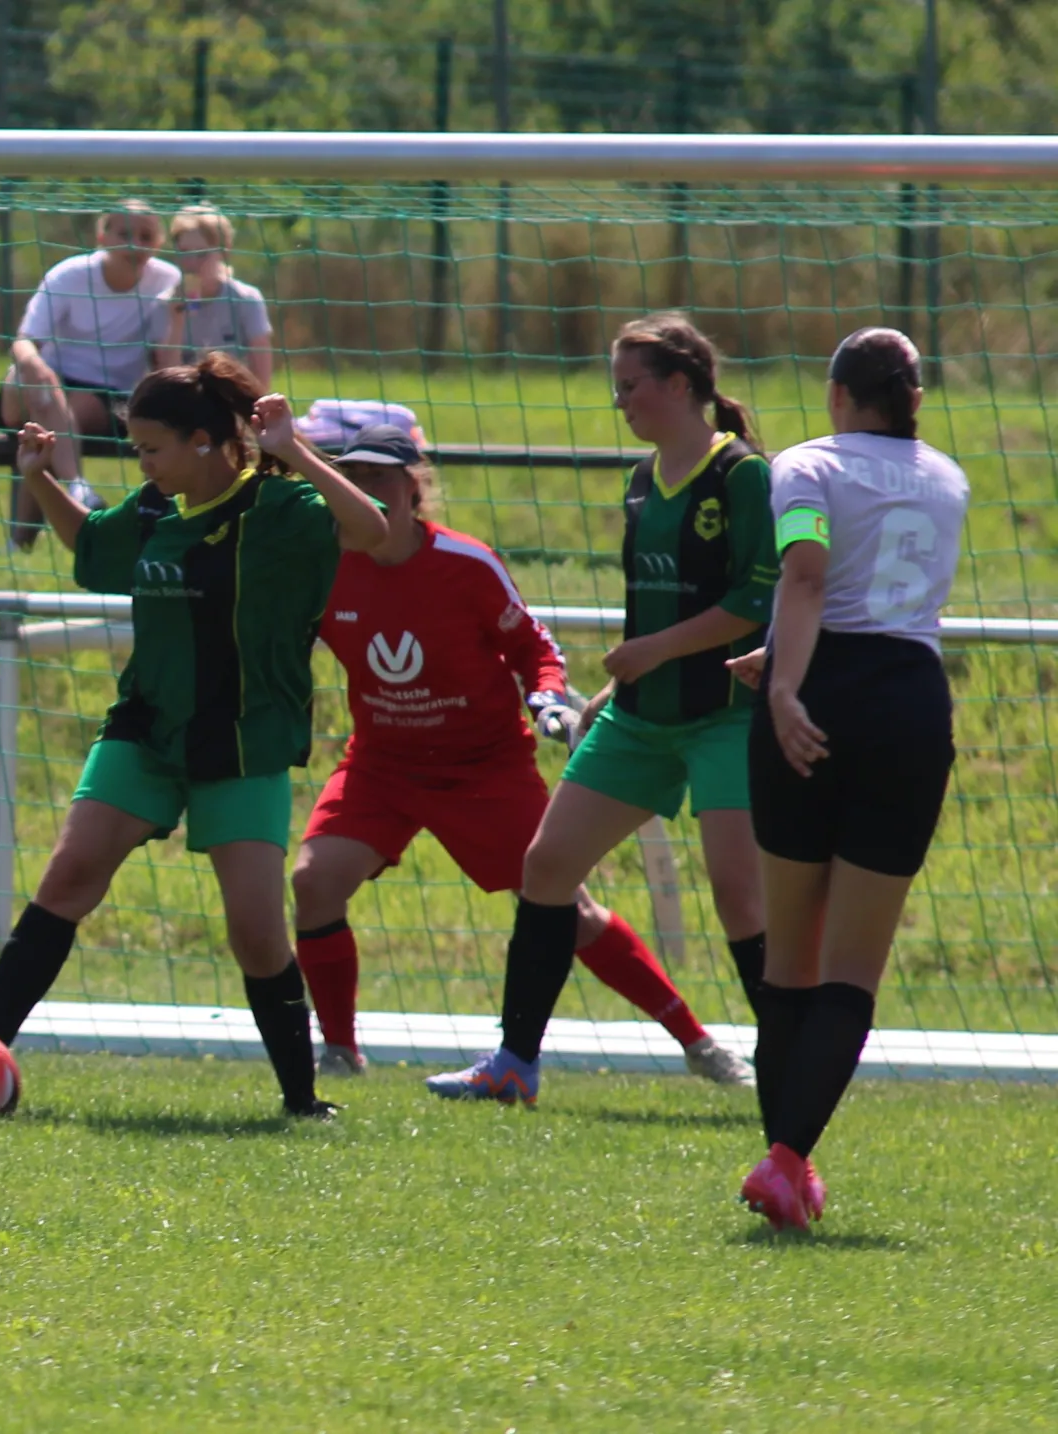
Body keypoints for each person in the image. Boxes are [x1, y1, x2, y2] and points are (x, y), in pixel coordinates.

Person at [0, 353, 389, 1119]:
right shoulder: (154, 508)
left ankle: (302, 1100)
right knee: (68, 878)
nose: (142, 463)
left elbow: (372, 529)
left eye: (150, 448)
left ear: (204, 441)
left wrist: (294, 450)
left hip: (242, 741)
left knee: (256, 934)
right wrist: (38, 478)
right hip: (147, 727)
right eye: (136, 448)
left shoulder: (280, 508)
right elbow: (93, 553)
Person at [292, 424, 753, 1084]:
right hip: (381, 765)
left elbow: (535, 648)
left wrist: (547, 697)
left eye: (380, 479)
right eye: (353, 478)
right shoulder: (322, 566)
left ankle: (698, 1043)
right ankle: (340, 1051)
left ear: (413, 489)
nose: (365, 492)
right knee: (313, 881)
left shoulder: (465, 563)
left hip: (483, 767)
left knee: (569, 911)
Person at [427, 312, 777, 1105]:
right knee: (547, 868)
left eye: (630, 385)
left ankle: (790, 1062)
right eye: (614, 386)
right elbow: (650, 606)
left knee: (739, 894)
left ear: (679, 385)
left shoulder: (742, 475)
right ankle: (514, 1063)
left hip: (724, 713)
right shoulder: (641, 478)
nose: (618, 401)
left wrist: (654, 651)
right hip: (640, 717)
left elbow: (755, 601)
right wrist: (620, 687)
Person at [727, 329, 965, 1230]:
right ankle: (789, 1162)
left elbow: (809, 575)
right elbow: (878, 599)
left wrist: (784, 684)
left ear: (836, 394)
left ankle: (786, 1159)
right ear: (914, 399)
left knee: (789, 960)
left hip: (817, 699)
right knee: (854, 969)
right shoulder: (948, 479)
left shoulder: (807, 465)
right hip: (907, 707)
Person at [0, 201, 180, 548]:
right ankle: (77, 487)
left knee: (48, 425)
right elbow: (23, 343)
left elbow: (164, 361)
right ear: (102, 236)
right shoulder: (69, 275)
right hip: (42, 384)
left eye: (146, 236)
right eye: (124, 234)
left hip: (107, 396)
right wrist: (37, 367)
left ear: (158, 243)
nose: (135, 245)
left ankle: (19, 542)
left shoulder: (168, 282)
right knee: (36, 385)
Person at [161, 204, 274, 387]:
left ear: (223, 253)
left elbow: (262, 379)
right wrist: (177, 323)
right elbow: (163, 383)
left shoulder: (246, 299)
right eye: (184, 252)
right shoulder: (164, 303)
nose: (191, 263)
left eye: (202, 254)